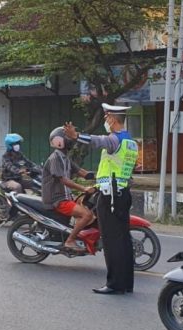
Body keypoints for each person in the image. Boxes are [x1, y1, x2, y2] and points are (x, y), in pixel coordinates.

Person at [63, 103, 139, 295]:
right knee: (123, 240)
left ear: (113, 119)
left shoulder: (115, 140)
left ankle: (114, 284)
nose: (105, 121)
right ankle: (126, 283)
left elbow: (98, 141)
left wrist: (77, 136)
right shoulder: (131, 142)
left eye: (106, 118)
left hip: (111, 197)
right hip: (122, 194)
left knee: (112, 240)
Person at [42, 127, 96, 251]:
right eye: (68, 137)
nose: (71, 140)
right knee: (87, 215)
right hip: (58, 200)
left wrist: (102, 178)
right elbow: (64, 180)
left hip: (66, 197)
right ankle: (70, 240)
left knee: (90, 208)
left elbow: (83, 172)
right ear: (59, 141)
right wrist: (84, 188)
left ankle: (77, 235)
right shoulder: (55, 158)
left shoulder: (65, 158)